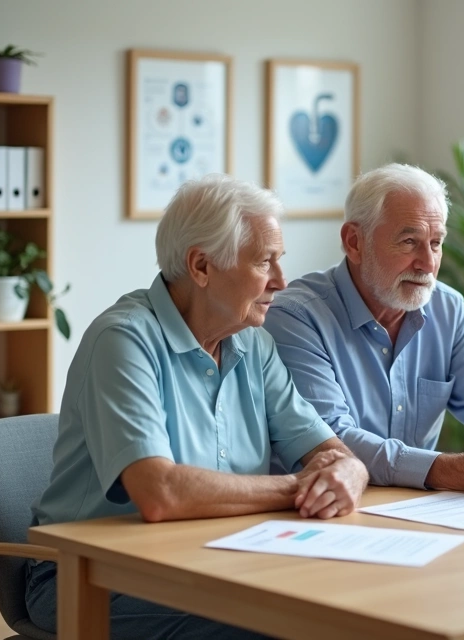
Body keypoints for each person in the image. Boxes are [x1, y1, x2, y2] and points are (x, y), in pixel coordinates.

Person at [26, 174, 369, 640]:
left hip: (213, 560)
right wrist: (298, 487)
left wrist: (351, 473)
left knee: (348, 602)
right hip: (88, 576)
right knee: (285, 625)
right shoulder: (124, 341)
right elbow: (160, 493)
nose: (280, 282)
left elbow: (331, 453)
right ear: (202, 265)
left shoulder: (255, 346)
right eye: (264, 262)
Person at [263, 163, 464, 494]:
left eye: (436, 242)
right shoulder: (296, 316)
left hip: (417, 514)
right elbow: (330, 441)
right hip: (319, 513)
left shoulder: (448, 309)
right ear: (354, 242)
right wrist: (451, 471)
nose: (428, 264)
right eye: (409, 241)